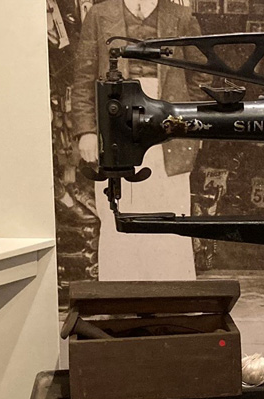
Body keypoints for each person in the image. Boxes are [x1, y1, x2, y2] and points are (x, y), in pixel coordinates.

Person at [71, 0, 208, 280]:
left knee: (170, 209)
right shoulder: (99, 15)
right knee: (118, 211)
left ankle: (171, 292)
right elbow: (83, 79)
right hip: (115, 123)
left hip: (169, 126)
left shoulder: (180, 16)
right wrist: (86, 131)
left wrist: (191, 121)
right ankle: (120, 291)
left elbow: (201, 75)